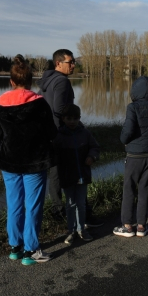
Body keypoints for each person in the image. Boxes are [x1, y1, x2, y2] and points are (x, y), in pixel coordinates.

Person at [0, 55, 57, 265]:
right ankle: (30, 251)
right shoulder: (40, 103)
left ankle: (15, 247)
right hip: (34, 162)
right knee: (33, 204)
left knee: (14, 203)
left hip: (9, 161)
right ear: (30, 81)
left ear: (11, 81)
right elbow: (51, 132)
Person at [114, 76, 148, 237]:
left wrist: (123, 140)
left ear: (135, 90)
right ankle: (141, 226)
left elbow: (128, 130)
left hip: (133, 155)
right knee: (144, 189)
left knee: (129, 189)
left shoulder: (133, 107)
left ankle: (126, 226)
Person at [36, 49, 75, 223]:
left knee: (54, 173)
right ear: (58, 63)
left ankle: (57, 210)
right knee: (62, 173)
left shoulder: (48, 80)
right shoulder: (61, 82)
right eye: (70, 62)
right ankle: (64, 212)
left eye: (73, 62)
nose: (73, 65)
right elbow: (59, 109)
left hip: (47, 131)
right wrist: (73, 125)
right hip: (59, 133)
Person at [53, 104, 100, 244]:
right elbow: (53, 154)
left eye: (75, 118)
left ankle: (82, 230)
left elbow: (95, 147)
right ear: (63, 119)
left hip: (82, 175)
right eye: (69, 118)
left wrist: (92, 157)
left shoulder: (85, 133)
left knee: (81, 203)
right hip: (67, 175)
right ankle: (71, 230)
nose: (72, 121)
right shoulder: (59, 135)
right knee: (70, 204)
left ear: (79, 118)